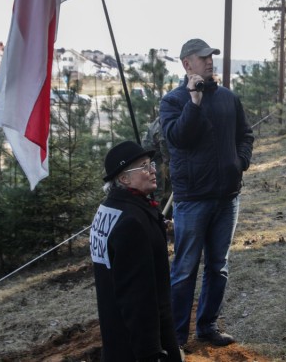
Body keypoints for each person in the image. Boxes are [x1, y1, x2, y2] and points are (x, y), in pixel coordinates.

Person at [160, 38, 254, 348]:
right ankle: (175, 337)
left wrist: (239, 162)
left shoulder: (228, 98)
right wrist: (194, 101)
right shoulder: (173, 101)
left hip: (228, 196)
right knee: (185, 269)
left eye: (211, 56)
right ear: (187, 64)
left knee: (219, 266)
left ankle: (207, 326)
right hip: (192, 201)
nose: (210, 61)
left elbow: (245, 134)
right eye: (203, 57)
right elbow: (179, 138)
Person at [90, 140, 183, 362]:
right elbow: (138, 296)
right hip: (141, 342)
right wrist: (151, 351)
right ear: (123, 178)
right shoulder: (132, 222)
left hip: (117, 335)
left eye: (150, 163)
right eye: (143, 166)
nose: (152, 170)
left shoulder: (108, 209)